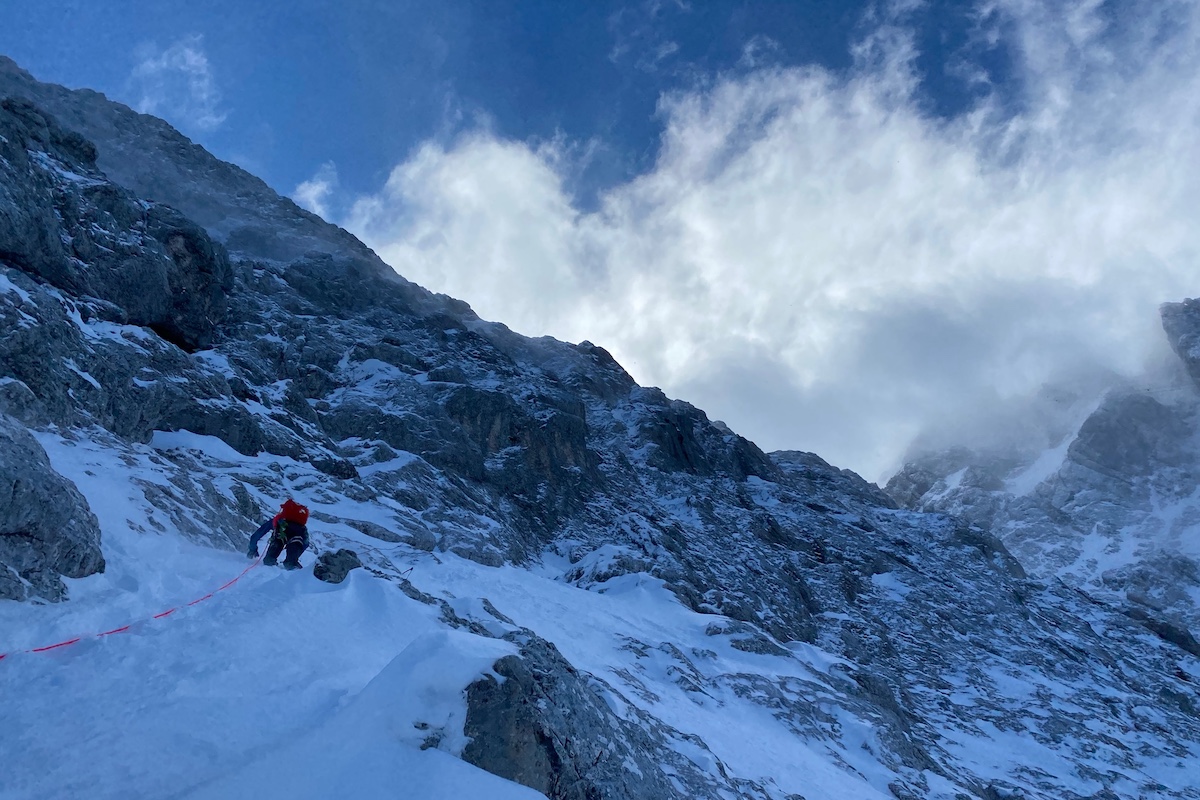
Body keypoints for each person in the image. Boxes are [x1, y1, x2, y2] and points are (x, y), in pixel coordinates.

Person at [247, 498, 310, 569]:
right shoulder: (302, 527)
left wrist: (252, 549)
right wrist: (296, 556)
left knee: (269, 560)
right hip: (297, 539)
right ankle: (291, 562)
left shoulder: (278, 521)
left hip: (279, 536)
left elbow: (258, 534)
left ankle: (270, 562)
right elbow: (306, 543)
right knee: (291, 562)